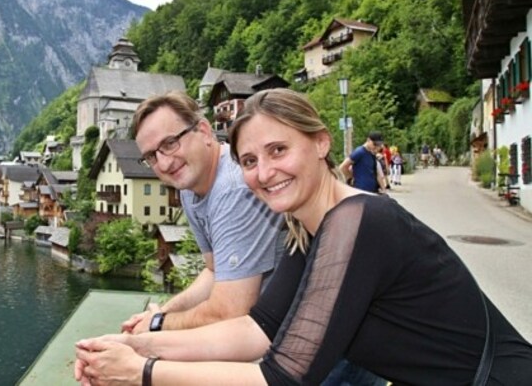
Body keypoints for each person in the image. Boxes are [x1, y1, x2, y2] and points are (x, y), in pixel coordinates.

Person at [74, 88, 532, 385]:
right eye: (250, 161)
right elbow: (258, 330)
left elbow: (282, 376)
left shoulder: (360, 221)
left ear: (320, 144)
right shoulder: (307, 228)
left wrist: (143, 373)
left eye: (278, 150)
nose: (264, 173)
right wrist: (135, 345)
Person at [122, 90, 285, 334]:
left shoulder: (233, 188)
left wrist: (158, 324)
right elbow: (213, 270)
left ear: (205, 132)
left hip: (315, 340)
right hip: (270, 326)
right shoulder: (189, 186)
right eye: (151, 156)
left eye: (170, 143)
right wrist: (162, 312)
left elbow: (230, 310)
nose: (164, 164)